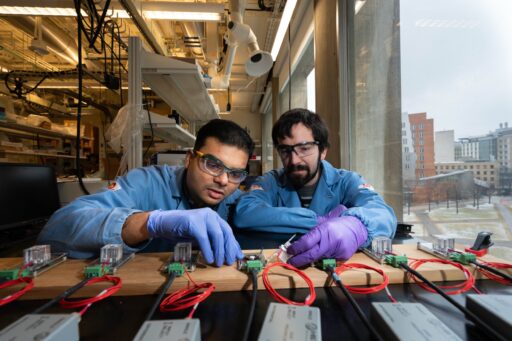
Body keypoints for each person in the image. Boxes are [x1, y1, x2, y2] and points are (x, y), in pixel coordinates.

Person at [38, 119, 254, 266]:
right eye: (213, 165)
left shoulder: (236, 200)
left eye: (235, 173)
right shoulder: (145, 182)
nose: (223, 181)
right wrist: (150, 223)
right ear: (189, 159)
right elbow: (56, 229)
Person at [234, 108, 396, 267]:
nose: (294, 160)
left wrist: (357, 227)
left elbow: (383, 214)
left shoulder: (347, 181)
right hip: (282, 272)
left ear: (323, 150)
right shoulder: (270, 181)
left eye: (304, 149)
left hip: (338, 275)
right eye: (285, 150)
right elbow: (245, 212)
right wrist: (317, 221)